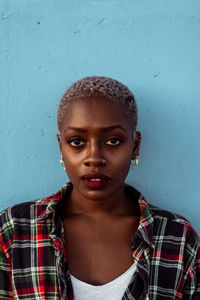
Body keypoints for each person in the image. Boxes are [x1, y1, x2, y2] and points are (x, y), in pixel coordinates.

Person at [0, 76, 199, 300]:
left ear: (135, 146)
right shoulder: (15, 231)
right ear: (60, 146)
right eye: (77, 141)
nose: (94, 158)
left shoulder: (177, 238)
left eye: (113, 141)